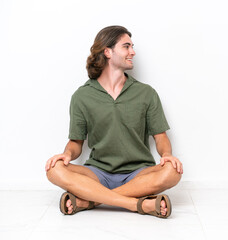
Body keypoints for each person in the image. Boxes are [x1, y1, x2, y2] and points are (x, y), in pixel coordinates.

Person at [45, 25, 183, 218]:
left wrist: (167, 154)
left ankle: (89, 201)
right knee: (54, 170)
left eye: (132, 47)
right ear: (107, 52)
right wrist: (66, 154)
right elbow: (76, 142)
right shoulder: (82, 96)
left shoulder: (146, 93)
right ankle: (137, 204)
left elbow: (160, 137)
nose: (132, 52)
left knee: (172, 172)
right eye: (126, 46)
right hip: (97, 173)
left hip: (138, 173)